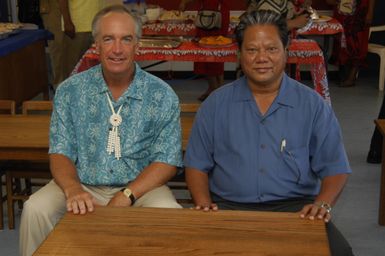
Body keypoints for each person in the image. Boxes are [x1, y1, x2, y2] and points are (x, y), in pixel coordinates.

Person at [184, 10, 353, 256]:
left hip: (296, 210)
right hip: (227, 208)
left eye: (272, 49)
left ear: (286, 51)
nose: (262, 58)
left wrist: (322, 203)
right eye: (252, 50)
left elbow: (336, 168)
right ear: (239, 54)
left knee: (340, 252)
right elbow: (196, 164)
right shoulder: (216, 104)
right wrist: (203, 202)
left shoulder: (312, 105)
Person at [19, 5, 183, 256]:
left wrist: (127, 194)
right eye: (108, 39)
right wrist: (73, 189)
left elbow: (167, 160)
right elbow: (60, 151)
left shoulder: (162, 95)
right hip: (81, 182)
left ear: (137, 45)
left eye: (126, 39)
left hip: (140, 187)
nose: (117, 49)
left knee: (171, 215)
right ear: (95, 45)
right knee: (36, 208)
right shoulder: (70, 91)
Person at [179, 0, 230, 101]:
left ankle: (216, 91)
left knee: (211, 52)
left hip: (214, 13)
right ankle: (215, 89)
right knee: (208, 53)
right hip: (207, 12)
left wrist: (184, 2)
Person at [327, 0, 376, 87]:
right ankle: (344, 76)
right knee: (342, 43)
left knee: (357, 43)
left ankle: (351, 77)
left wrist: (370, 12)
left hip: (359, 12)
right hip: (343, 11)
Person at [58, 0, 104, 78]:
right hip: (77, 28)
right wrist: (67, 22)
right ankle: (71, 89)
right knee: (73, 69)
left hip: (98, 27)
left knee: (98, 68)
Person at [246, 0, 311, 30]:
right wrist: (294, 23)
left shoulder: (285, 2)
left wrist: (299, 15)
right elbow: (266, 27)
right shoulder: (267, 2)